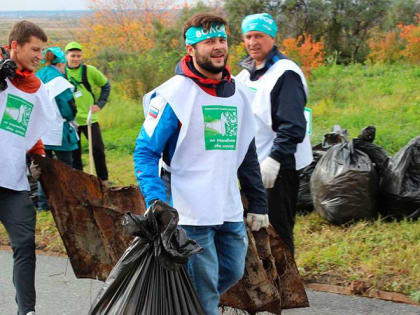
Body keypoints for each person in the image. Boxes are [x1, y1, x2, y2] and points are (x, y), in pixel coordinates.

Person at [133, 13, 269, 315]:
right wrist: (156, 200)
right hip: (189, 211)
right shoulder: (173, 95)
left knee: (233, 270)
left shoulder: (241, 96)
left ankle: (183, 303)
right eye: (209, 41)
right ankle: (196, 304)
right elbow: (145, 151)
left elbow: (246, 154)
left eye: (222, 40)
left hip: (228, 207)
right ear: (190, 48)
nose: (218, 47)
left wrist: (258, 203)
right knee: (205, 288)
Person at [236, 13, 313, 256]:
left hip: (277, 167)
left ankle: (286, 288)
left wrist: (275, 159)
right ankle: (265, 284)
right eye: (248, 36)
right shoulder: (245, 73)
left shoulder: (285, 73)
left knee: (276, 231)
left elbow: (293, 125)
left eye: (259, 36)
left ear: (272, 37)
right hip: (252, 164)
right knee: (255, 227)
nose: (253, 42)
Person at [0, 20, 56, 315]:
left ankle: (27, 311)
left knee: (24, 245)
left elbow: (33, 133)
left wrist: (39, 164)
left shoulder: (37, 87)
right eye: (34, 49)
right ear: (14, 47)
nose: (39, 56)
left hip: (13, 182)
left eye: (42, 50)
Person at [35, 46, 78, 210]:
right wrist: (71, 118)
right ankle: (67, 201)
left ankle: (43, 203)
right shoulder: (60, 81)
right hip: (58, 131)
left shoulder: (38, 75)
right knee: (65, 167)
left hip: (40, 131)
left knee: (44, 168)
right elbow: (67, 108)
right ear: (61, 64)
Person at [64, 41, 111, 184]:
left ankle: (103, 180)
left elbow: (106, 85)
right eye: (73, 56)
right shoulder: (61, 72)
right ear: (66, 56)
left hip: (90, 118)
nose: (76, 58)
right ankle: (81, 182)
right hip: (72, 120)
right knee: (75, 153)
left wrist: (100, 104)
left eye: (79, 56)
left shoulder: (89, 71)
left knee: (98, 149)